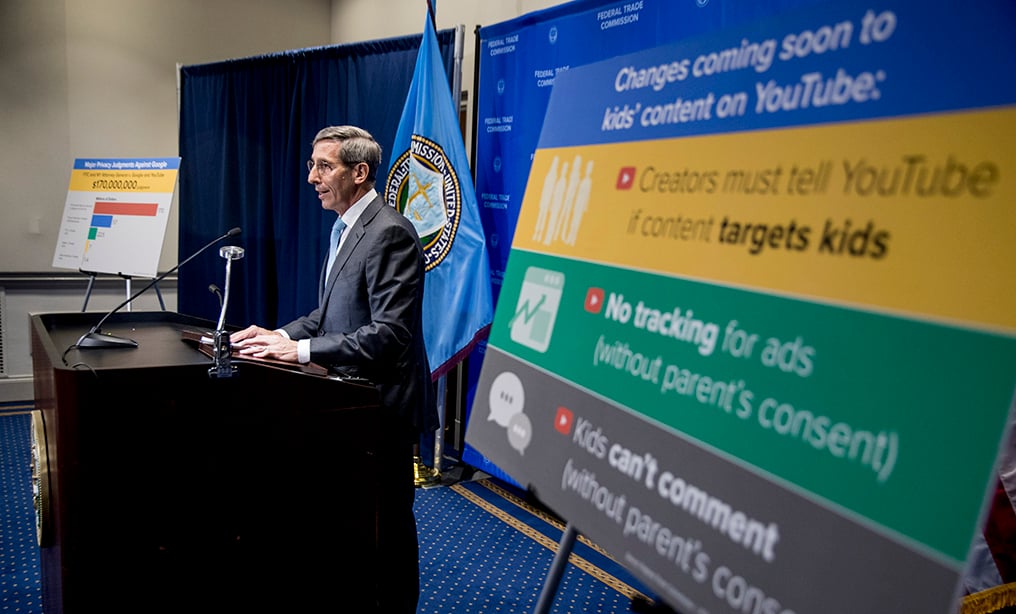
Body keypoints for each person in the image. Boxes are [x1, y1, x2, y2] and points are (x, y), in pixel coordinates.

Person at [230, 125, 436, 613]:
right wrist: (278, 336)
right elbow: (328, 316)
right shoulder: (345, 226)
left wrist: (299, 354)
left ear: (360, 172)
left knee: (389, 530)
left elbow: (390, 335)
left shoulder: (389, 232)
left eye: (324, 166)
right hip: (350, 402)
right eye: (311, 165)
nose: (311, 177)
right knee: (358, 522)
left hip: (382, 408)